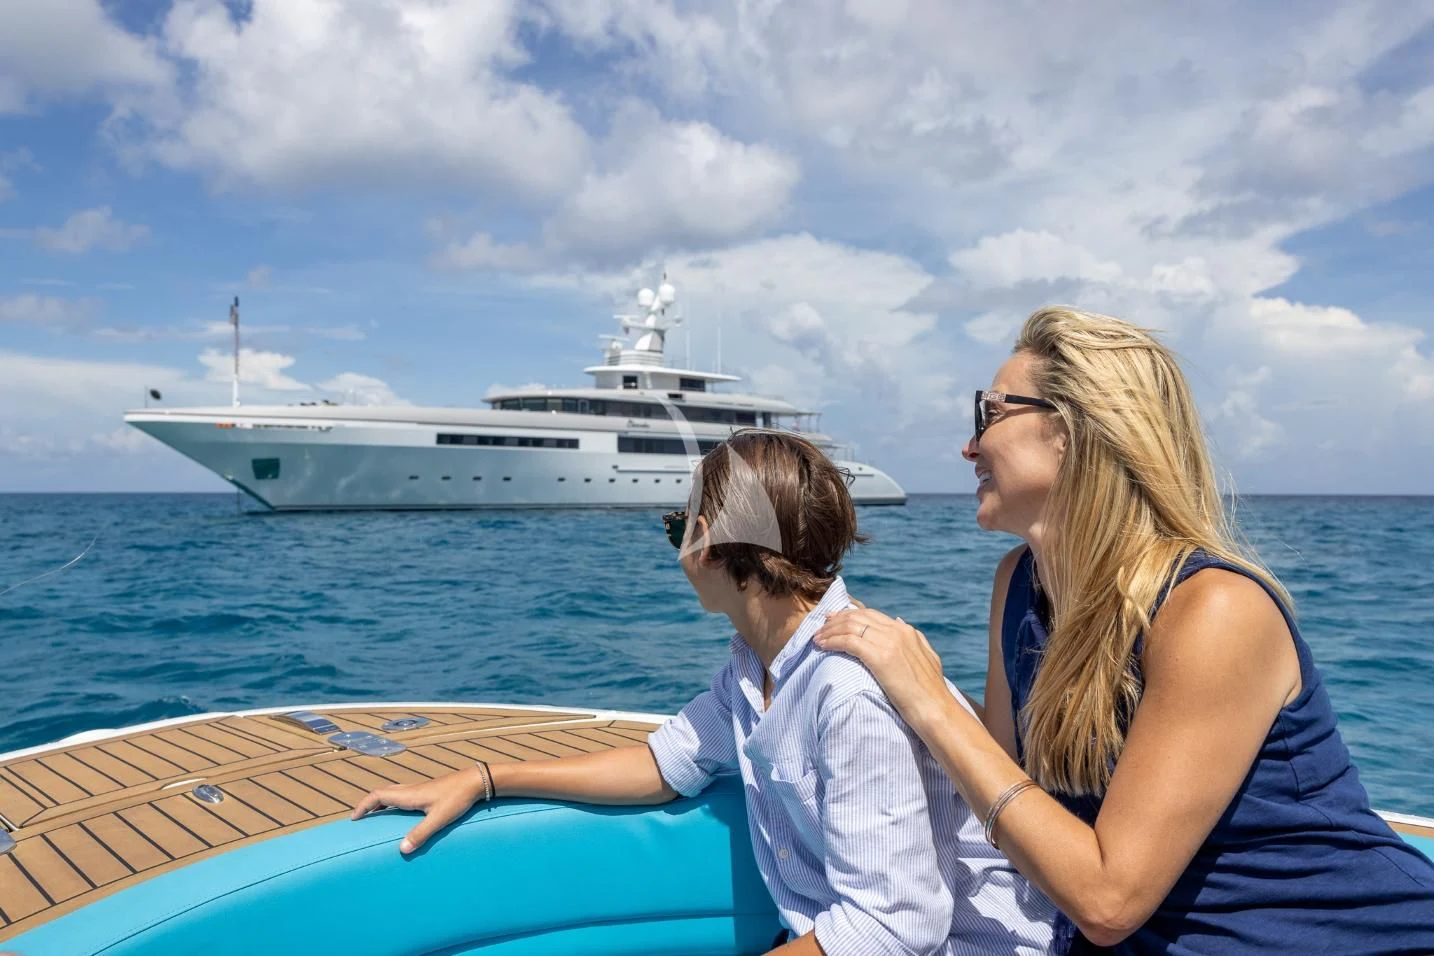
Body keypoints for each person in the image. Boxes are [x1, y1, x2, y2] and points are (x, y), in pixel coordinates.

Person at [814, 307, 1434, 953]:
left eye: (989, 414)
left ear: (1076, 431)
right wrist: (894, 677)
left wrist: (934, 702)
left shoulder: (1215, 610)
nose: (968, 447)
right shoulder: (1021, 581)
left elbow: (1108, 899)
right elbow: (1007, 776)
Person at [352, 429, 1054, 955]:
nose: (676, 548)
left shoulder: (848, 691)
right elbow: (667, 763)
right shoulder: (758, 662)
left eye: (675, 528)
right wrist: (486, 780)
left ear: (714, 545)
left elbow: (894, 928)